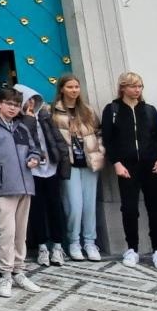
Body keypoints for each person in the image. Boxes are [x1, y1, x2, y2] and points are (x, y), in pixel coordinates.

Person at [100, 72, 157, 269]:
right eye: (133, 86)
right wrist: (116, 162)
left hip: (152, 165)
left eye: (140, 86)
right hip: (127, 166)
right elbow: (108, 139)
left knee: (155, 208)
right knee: (129, 208)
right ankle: (132, 248)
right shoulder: (112, 109)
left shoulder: (149, 110)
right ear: (123, 88)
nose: (137, 90)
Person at [0, 87, 43, 298]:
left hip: (25, 186)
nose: (13, 108)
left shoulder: (21, 127)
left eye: (16, 105)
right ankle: (5, 274)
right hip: (3, 189)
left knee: (21, 232)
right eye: (9, 104)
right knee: (6, 233)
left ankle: (19, 270)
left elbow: (35, 149)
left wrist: (34, 158)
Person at [50, 75, 105, 261]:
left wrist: (100, 150)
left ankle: (90, 242)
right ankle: (74, 241)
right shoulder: (54, 111)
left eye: (76, 86)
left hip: (89, 162)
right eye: (70, 87)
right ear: (62, 89)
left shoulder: (87, 110)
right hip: (69, 164)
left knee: (89, 205)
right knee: (74, 205)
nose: (74, 90)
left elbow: (99, 132)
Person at [17, 85, 70, 267]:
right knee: (37, 209)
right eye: (27, 100)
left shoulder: (45, 117)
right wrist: (28, 118)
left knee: (55, 207)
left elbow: (56, 139)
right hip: (32, 171)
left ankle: (57, 246)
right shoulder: (19, 121)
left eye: (33, 99)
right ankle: (41, 247)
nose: (31, 103)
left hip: (51, 168)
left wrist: (62, 161)